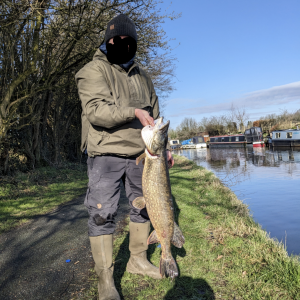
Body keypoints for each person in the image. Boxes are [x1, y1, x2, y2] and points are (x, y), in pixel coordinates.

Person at [75, 14, 174, 300]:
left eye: (129, 41)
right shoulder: (92, 70)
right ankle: (105, 281)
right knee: (103, 214)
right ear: (108, 40)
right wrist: (132, 112)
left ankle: (138, 260)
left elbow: (155, 117)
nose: (123, 44)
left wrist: (163, 151)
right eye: (118, 40)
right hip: (105, 151)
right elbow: (96, 111)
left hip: (142, 156)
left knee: (144, 208)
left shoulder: (143, 75)